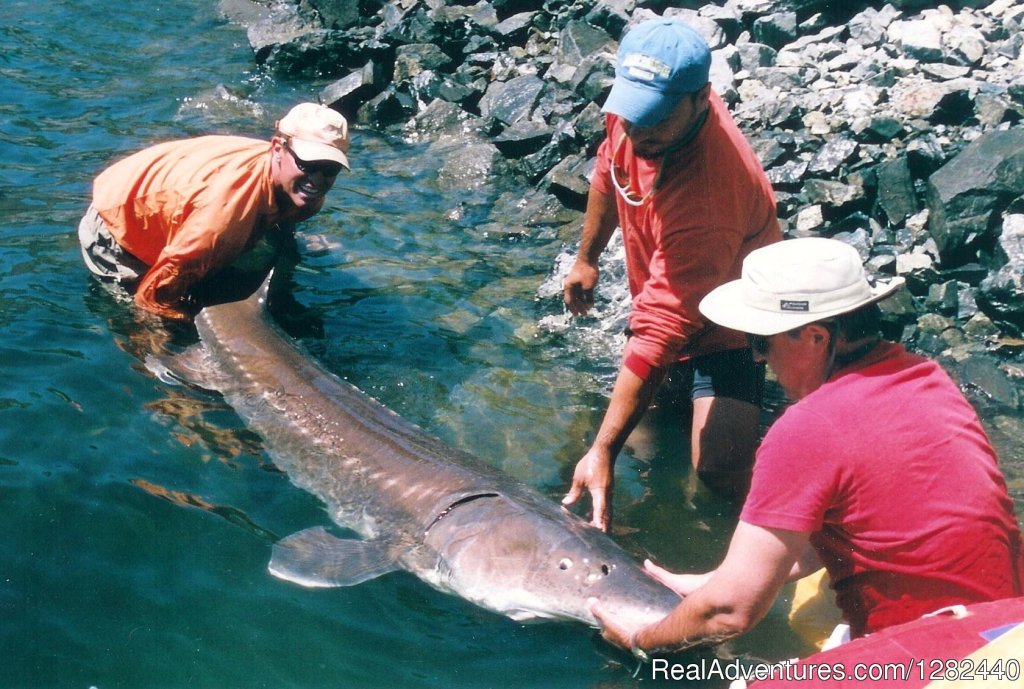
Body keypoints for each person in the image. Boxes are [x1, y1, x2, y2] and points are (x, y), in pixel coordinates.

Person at [592, 237, 1024, 659]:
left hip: (933, 660)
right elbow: (860, 530)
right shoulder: (928, 378)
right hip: (1008, 634)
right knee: (807, 605)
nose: (758, 357)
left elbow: (729, 614)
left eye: (761, 341)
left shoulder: (806, 429)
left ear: (817, 338)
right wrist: (718, 580)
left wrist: (640, 639)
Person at [561, 18, 781, 529]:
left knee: (717, 472)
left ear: (702, 98)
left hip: (731, 325)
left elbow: (663, 323)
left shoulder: (710, 193)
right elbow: (606, 169)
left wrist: (601, 451)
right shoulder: (639, 110)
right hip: (671, 294)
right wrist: (587, 258)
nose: (638, 130)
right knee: (645, 449)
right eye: (631, 114)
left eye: (654, 120)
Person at [79, 102, 350, 321]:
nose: (317, 179)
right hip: (117, 220)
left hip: (190, 210)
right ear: (277, 148)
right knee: (155, 321)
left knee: (267, 252)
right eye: (307, 164)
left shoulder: (304, 190)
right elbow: (154, 297)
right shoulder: (222, 217)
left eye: (330, 169)